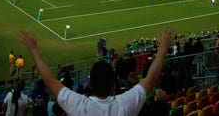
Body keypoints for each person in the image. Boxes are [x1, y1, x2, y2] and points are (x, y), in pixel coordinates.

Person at [19, 27, 174, 116]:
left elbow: (49, 80)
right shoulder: (125, 105)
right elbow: (151, 78)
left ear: (89, 84)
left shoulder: (79, 106)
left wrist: (34, 49)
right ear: (114, 87)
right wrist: (163, 49)